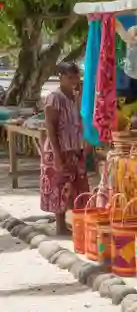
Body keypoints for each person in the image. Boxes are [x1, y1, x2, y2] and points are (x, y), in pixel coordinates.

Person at [40, 62, 89, 236]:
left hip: (74, 148)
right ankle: (61, 226)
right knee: (60, 187)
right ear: (60, 77)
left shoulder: (74, 97)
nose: (75, 80)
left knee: (75, 187)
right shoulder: (54, 97)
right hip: (59, 149)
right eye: (70, 77)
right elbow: (51, 127)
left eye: (76, 77)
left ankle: (72, 223)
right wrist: (58, 154)